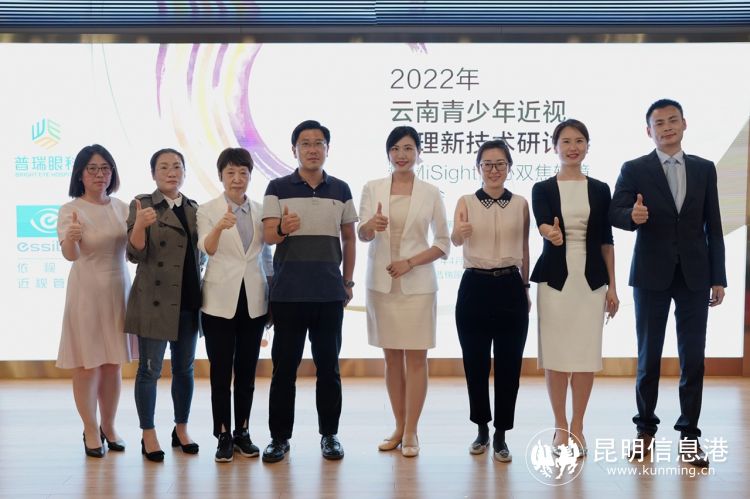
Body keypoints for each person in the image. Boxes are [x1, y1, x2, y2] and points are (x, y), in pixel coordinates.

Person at [609, 99, 726, 468]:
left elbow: (714, 225)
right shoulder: (634, 168)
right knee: (649, 357)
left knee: (694, 359)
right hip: (650, 274)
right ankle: (645, 430)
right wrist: (633, 216)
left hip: (695, 275)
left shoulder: (704, 169)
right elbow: (614, 211)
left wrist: (718, 276)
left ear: (684, 124)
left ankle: (689, 436)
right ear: (649, 131)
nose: (667, 127)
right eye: (659, 123)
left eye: (673, 120)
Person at [261, 120, 357, 463]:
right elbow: (268, 236)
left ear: (327, 149)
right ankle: (279, 438)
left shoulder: (341, 189)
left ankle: (329, 435)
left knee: (328, 369)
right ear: (294, 150)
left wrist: (348, 282)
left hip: (329, 293)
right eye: (305, 143)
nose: (312, 149)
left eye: (319, 143)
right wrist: (283, 228)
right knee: (283, 370)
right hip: (288, 293)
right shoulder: (276, 187)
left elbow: (349, 238)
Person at [358, 126, 450, 458]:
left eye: (409, 148)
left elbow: (443, 243)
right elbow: (362, 234)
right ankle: (398, 427)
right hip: (382, 286)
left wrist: (410, 262)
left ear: (418, 153)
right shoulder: (372, 188)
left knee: (416, 358)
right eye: (396, 148)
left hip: (418, 285)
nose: (402, 155)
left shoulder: (431, 192)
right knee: (392, 358)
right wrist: (370, 227)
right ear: (388, 153)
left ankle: (412, 430)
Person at [530, 119, 619, 457]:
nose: (572, 147)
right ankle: (560, 426)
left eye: (579, 141)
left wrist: (612, 287)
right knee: (555, 357)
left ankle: (578, 425)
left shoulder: (600, 189)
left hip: (592, 282)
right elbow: (542, 223)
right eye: (565, 141)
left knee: (584, 356)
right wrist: (550, 233)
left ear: (587, 146)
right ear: (554, 147)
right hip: (555, 282)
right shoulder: (542, 188)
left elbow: (607, 241)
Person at [452, 139, 529, 463]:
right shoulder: (466, 201)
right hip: (475, 286)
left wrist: (525, 286)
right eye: (487, 164)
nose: (494, 170)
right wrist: (460, 232)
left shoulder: (521, 203)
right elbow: (455, 240)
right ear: (478, 168)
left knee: (510, 365)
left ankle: (501, 434)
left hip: (511, 285)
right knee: (476, 363)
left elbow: (525, 247)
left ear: (509, 167)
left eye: (500, 164)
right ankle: (482, 428)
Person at [125, 148, 202, 462]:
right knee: (149, 370)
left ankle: (181, 429)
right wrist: (139, 226)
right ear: (153, 173)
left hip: (188, 299)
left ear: (184, 172)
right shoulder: (142, 204)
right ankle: (148, 433)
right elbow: (135, 254)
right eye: (164, 167)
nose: (172, 172)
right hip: (154, 302)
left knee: (185, 370)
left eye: (177, 166)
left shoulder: (194, 208)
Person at [57, 144, 134, 458]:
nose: (100, 174)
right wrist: (72, 237)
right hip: (86, 292)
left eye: (105, 168)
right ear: (80, 174)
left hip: (119, 290)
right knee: (87, 365)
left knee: (113, 364)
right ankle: (90, 429)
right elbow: (70, 255)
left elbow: (133, 249)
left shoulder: (123, 207)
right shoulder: (70, 210)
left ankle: (109, 426)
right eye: (92, 168)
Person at [197, 147, 273, 463]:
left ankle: (242, 431)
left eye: (243, 172)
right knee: (220, 372)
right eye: (230, 172)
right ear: (221, 176)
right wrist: (219, 226)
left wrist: (272, 297)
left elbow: (265, 255)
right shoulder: (207, 210)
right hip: (218, 302)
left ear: (250, 176)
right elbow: (207, 248)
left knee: (246, 372)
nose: (237, 178)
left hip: (254, 300)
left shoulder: (261, 211)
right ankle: (223, 434)